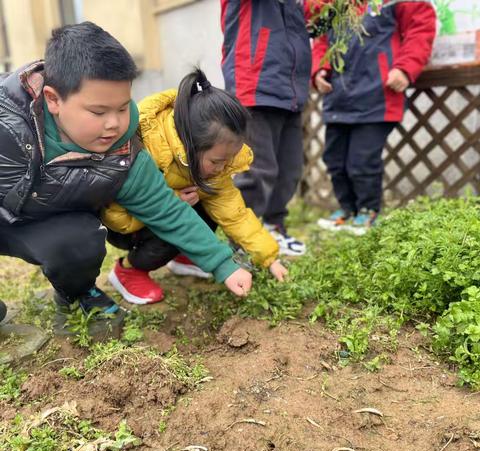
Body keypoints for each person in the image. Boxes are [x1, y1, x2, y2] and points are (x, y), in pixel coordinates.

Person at [0, 22, 252, 336]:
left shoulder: (123, 152)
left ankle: (75, 295)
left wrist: (223, 264)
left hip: (43, 225)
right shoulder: (7, 125)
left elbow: (166, 210)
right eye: (98, 111)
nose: (114, 124)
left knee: (82, 240)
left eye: (122, 107)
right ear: (53, 99)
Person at [103, 68, 288, 305]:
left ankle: (182, 256)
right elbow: (114, 216)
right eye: (216, 161)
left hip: (168, 216)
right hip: (127, 226)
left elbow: (235, 215)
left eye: (227, 161)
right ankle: (128, 270)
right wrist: (171, 201)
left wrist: (269, 258)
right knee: (179, 217)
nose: (222, 168)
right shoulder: (148, 145)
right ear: (191, 144)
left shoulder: (212, 163)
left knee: (210, 204)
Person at [313, 0, 436, 233]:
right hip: (338, 96)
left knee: (362, 161)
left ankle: (368, 211)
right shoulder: (334, 3)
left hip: (378, 95)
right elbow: (321, 39)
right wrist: (319, 69)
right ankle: (347, 209)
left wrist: (405, 67)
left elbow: (420, 28)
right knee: (334, 160)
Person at [220, 0, 312, 256]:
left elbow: (311, 17)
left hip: (290, 90)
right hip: (255, 85)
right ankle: (240, 243)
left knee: (288, 170)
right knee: (257, 172)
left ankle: (273, 227)